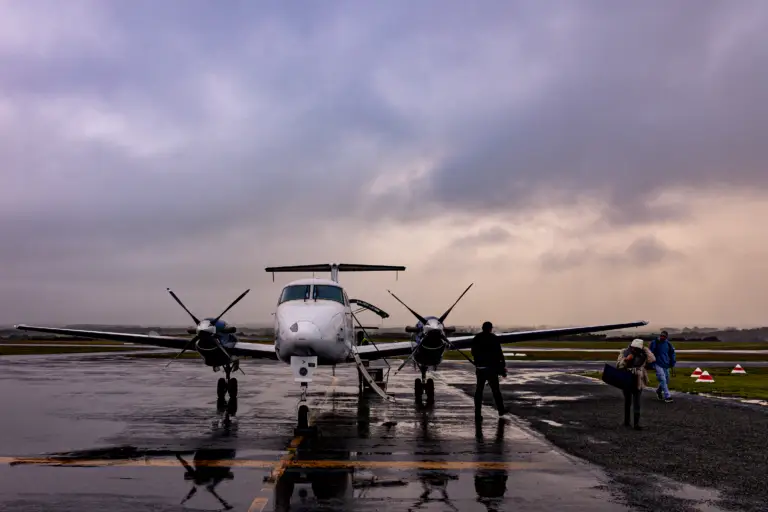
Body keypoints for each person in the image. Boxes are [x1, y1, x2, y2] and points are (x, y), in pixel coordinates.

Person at [616, 338, 656, 430]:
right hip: (626, 378)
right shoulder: (624, 352)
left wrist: (646, 350)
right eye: (633, 348)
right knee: (628, 401)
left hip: (638, 379)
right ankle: (626, 421)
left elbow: (652, 359)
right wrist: (626, 359)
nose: (634, 350)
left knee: (637, 402)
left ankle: (636, 424)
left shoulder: (644, 353)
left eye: (637, 348)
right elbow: (618, 365)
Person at [470, 321, 507, 420]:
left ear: (482, 328)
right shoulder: (494, 338)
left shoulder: (477, 338)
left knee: (479, 391)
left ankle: (477, 414)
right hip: (492, 369)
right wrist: (503, 367)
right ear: (490, 328)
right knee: (496, 391)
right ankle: (501, 410)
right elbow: (499, 353)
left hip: (481, 369)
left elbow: (473, 352)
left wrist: (478, 361)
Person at [649, 330, 676, 402]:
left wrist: (672, 362)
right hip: (657, 363)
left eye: (664, 336)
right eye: (661, 336)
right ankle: (668, 396)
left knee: (666, 380)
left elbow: (672, 353)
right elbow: (650, 353)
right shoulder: (654, 342)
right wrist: (650, 364)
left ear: (666, 337)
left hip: (666, 364)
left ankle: (658, 391)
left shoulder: (668, 344)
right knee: (662, 379)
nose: (662, 337)